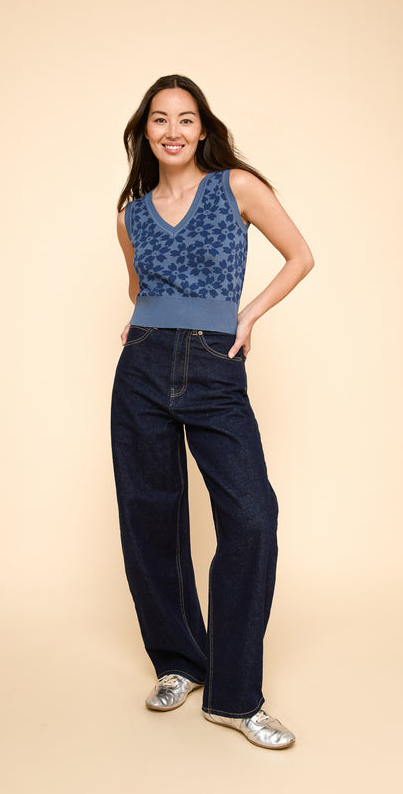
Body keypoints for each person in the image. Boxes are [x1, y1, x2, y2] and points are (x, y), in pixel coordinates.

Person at [111, 74, 314, 750]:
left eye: (185, 119)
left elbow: (300, 256)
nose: (172, 130)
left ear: (202, 129)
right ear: (145, 131)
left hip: (213, 363)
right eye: (160, 119)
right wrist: (144, 323)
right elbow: (138, 287)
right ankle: (179, 661)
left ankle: (234, 696)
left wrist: (248, 315)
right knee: (149, 517)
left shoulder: (236, 187)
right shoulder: (131, 213)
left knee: (252, 515)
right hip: (142, 364)